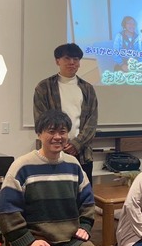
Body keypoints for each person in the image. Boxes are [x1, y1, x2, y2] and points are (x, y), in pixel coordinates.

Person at [0, 109, 111, 246]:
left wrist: (85, 225)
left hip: (71, 240)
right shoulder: (21, 167)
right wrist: (28, 242)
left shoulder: (73, 164)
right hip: (38, 243)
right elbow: (7, 211)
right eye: (51, 131)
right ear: (39, 134)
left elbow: (87, 200)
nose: (58, 137)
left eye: (63, 131)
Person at [33, 43, 98, 185]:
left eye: (76, 59)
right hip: (51, 152)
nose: (72, 62)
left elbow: (92, 121)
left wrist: (76, 144)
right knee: (52, 192)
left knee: (83, 193)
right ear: (58, 61)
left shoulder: (87, 89)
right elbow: (41, 120)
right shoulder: (44, 87)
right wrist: (60, 142)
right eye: (67, 58)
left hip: (82, 153)